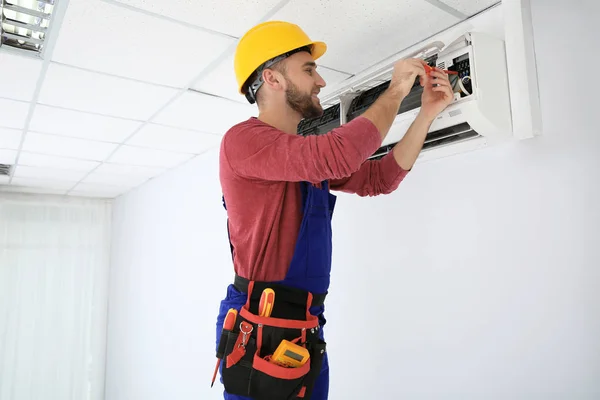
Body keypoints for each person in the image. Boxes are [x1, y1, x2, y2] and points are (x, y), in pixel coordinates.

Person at [213, 21, 454, 400]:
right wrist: (394, 91)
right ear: (272, 78)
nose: (321, 81)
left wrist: (427, 114)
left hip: (304, 328)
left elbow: (380, 178)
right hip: (261, 328)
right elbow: (335, 154)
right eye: (309, 70)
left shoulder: (303, 156)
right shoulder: (243, 142)